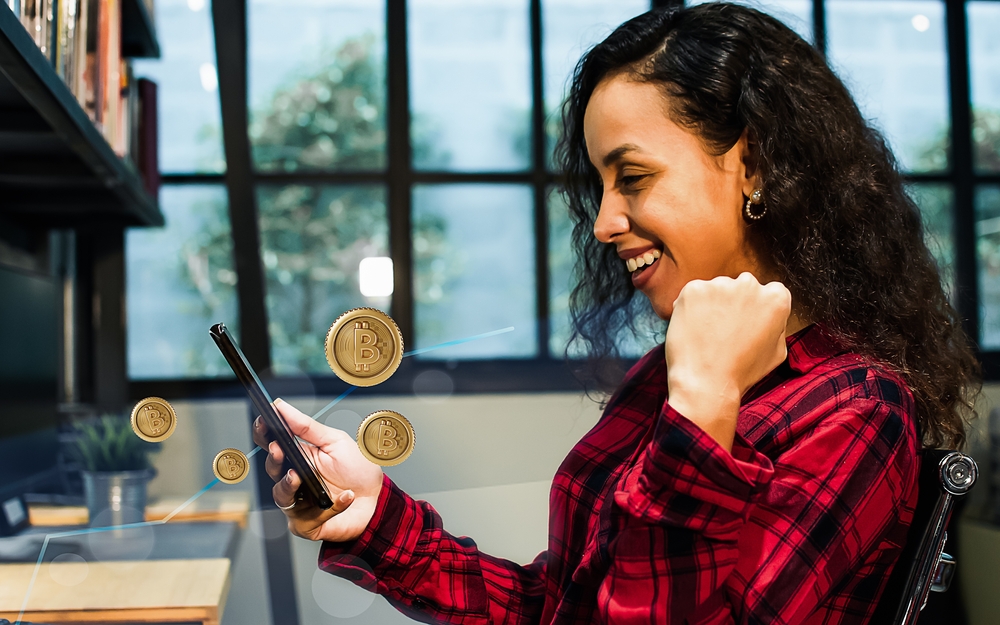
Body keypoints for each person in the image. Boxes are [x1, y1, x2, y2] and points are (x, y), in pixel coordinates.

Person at [251, 3, 981, 623]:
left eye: (631, 177)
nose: (603, 222)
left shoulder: (855, 411)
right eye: (600, 186)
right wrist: (378, 519)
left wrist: (701, 414)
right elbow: (564, 605)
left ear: (753, 164)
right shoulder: (664, 375)